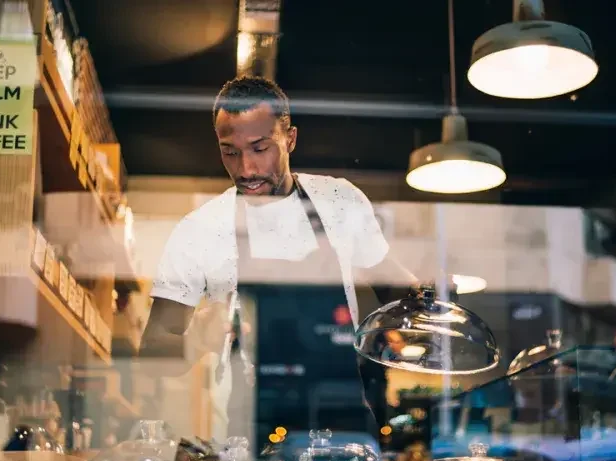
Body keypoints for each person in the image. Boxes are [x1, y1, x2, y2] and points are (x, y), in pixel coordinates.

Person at [143, 76, 416, 442]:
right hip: (245, 439)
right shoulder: (200, 228)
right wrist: (197, 336)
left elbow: (395, 289)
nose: (246, 169)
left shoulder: (340, 200)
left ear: (290, 139)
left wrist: (429, 294)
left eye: (260, 148)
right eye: (230, 151)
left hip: (342, 431)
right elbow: (151, 348)